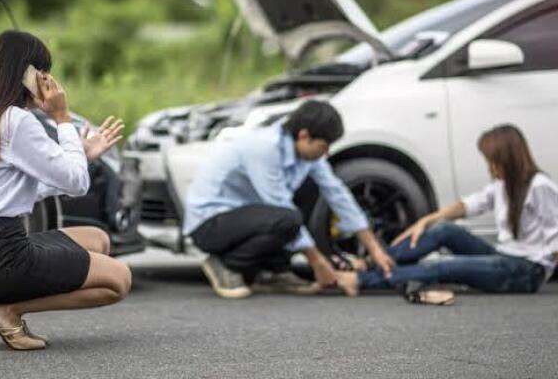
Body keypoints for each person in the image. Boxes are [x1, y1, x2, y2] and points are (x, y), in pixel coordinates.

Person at [0, 30, 131, 350]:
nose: (49, 81)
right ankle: (7, 310)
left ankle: (4, 308)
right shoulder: (18, 121)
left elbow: (20, 191)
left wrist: (83, 154)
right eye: (42, 73)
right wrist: (63, 119)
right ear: (27, 75)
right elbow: (77, 184)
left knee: (97, 239)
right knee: (119, 280)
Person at [184, 100, 394, 299]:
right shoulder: (264, 147)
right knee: (288, 218)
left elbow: (337, 193)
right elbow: (279, 205)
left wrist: (374, 249)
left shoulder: (307, 156)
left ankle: (274, 270)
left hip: (245, 217)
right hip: (209, 223)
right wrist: (318, 262)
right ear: (304, 136)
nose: (327, 153)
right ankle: (227, 265)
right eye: (324, 146)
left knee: (309, 192)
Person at [336, 124, 558, 304]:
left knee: (442, 265)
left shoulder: (540, 186)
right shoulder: (502, 184)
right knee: (445, 230)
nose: (489, 166)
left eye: (491, 160)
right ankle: (371, 263)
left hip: (527, 272)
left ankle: (360, 279)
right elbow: (468, 206)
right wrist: (426, 220)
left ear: (506, 158)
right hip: (505, 257)